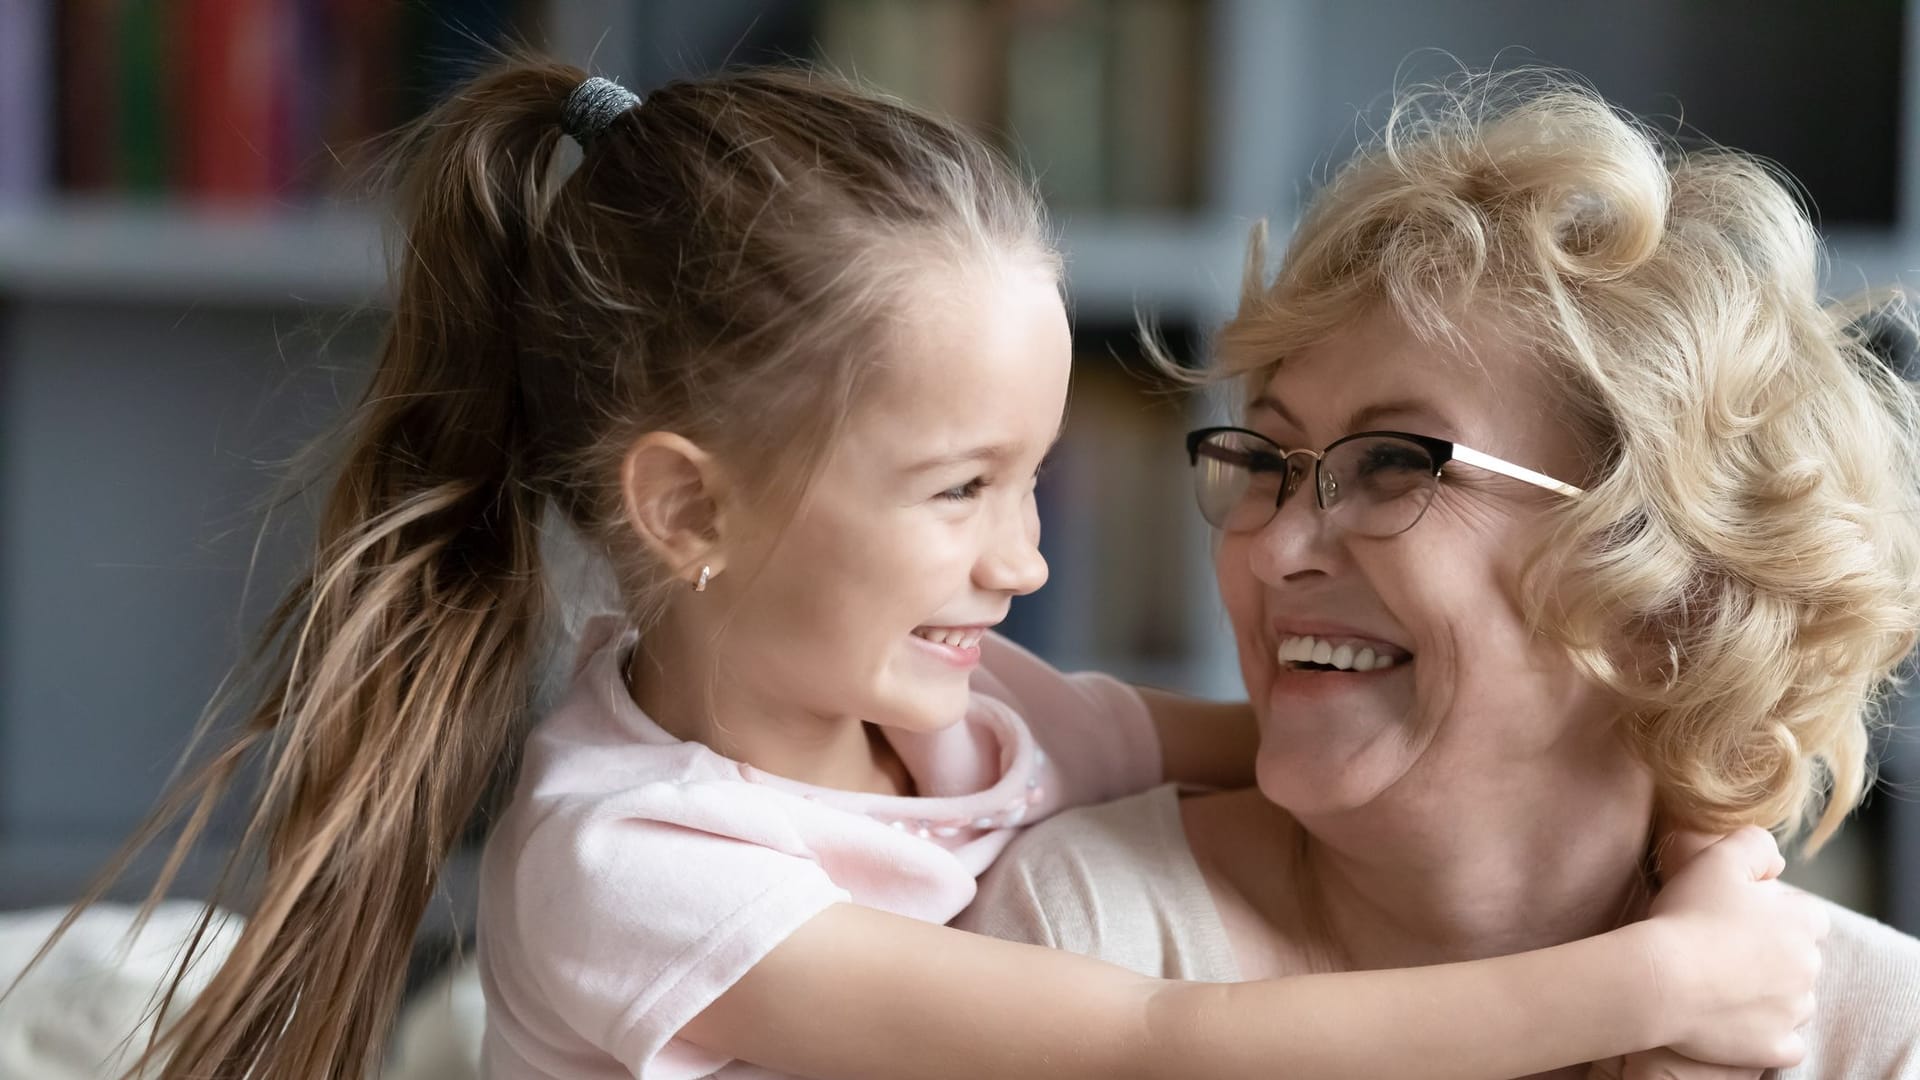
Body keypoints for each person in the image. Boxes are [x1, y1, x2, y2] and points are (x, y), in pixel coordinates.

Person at [17, 61, 1825, 1080]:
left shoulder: (959, 722)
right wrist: (1655, 992)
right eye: (961, 489)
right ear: (687, 511)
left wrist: (1700, 802)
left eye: (1035, 481)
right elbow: (1155, 1047)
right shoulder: (635, 868)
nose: (1028, 561)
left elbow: (1285, 724)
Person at [960, 72, 1920, 1079]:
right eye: (1266, 464)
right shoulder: (1087, 929)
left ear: (1668, 585)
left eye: (1391, 466)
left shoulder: (1881, 1035)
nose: (1278, 550)